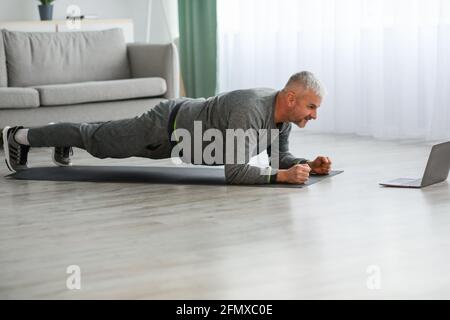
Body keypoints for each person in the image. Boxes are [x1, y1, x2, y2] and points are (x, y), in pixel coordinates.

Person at [2, 71, 332, 184]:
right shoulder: (250, 109)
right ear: (290, 98)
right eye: (311, 106)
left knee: (98, 137)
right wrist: (284, 177)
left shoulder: (282, 119)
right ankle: (18, 135)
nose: (314, 115)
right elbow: (236, 173)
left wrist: (304, 165)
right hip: (164, 127)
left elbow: (278, 158)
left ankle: (65, 137)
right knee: (97, 142)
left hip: (176, 140)